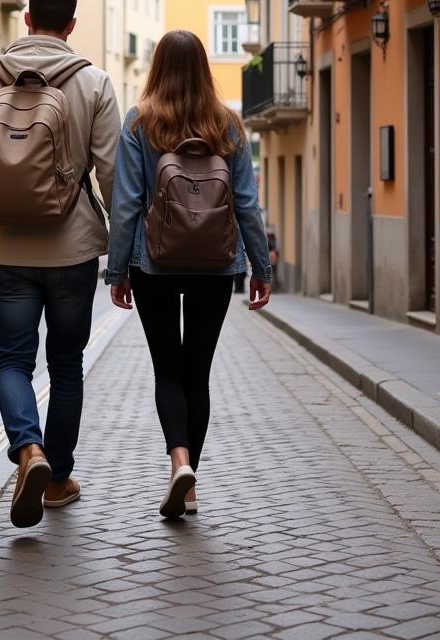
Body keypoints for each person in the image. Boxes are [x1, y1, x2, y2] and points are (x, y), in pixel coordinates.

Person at [0, 0, 121, 529]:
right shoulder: (93, 82)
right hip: (72, 246)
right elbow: (113, 171)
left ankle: (28, 448)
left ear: (26, 18)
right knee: (67, 365)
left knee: (12, 360)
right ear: (71, 25)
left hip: (6, 246)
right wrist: (120, 248)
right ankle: (56, 481)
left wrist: (0, 205)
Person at [105, 30, 273, 519]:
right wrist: (260, 268)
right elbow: (246, 203)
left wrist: (118, 270)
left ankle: (178, 461)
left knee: (167, 369)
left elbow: (128, 201)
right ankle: (190, 483)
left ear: (157, 68)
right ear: (204, 68)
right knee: (197, 372)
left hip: (153, 262)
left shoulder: (141, 122)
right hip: (217, 264)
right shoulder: (229, 126)